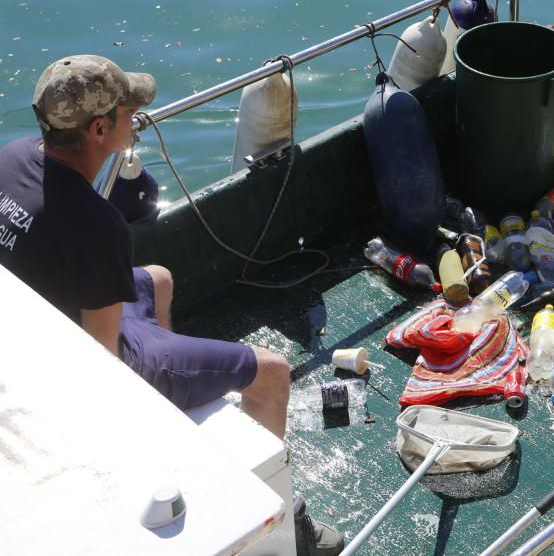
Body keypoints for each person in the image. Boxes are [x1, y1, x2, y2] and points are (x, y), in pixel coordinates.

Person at [0, 55, 342, 556]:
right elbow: (103, 364)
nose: (136, 120)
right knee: (271, 371)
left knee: (157, 279)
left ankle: (177, 399)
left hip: (39, 329)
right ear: (99, 129)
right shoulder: (97, 225)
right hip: (85, 368)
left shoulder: (11, 158)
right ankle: (282, 518)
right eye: (128, 113)